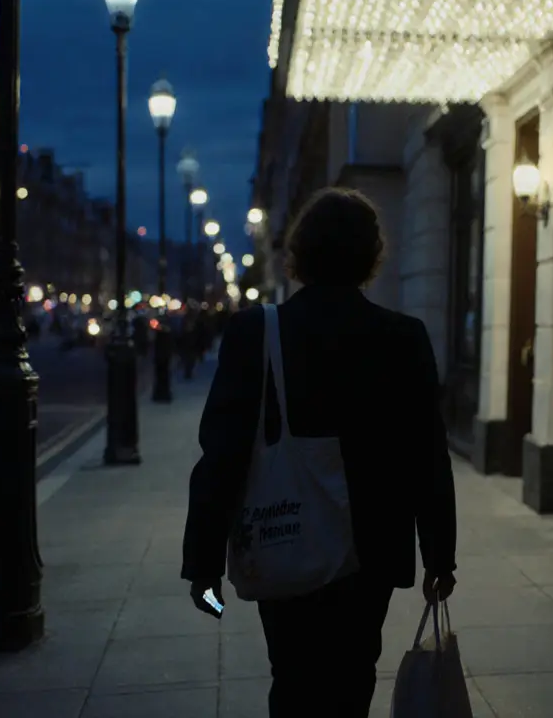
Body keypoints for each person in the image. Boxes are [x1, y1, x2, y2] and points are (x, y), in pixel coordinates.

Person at [181, 187, 458, 717]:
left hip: (283, 531)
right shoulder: (403, 337)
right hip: (372, 546)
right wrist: (439, 555)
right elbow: (428, 453)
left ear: (299, 253)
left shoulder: (254, 333)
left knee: (291, 674)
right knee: (354, 673)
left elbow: (221, 451)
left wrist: (203, 563)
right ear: (371, 255)